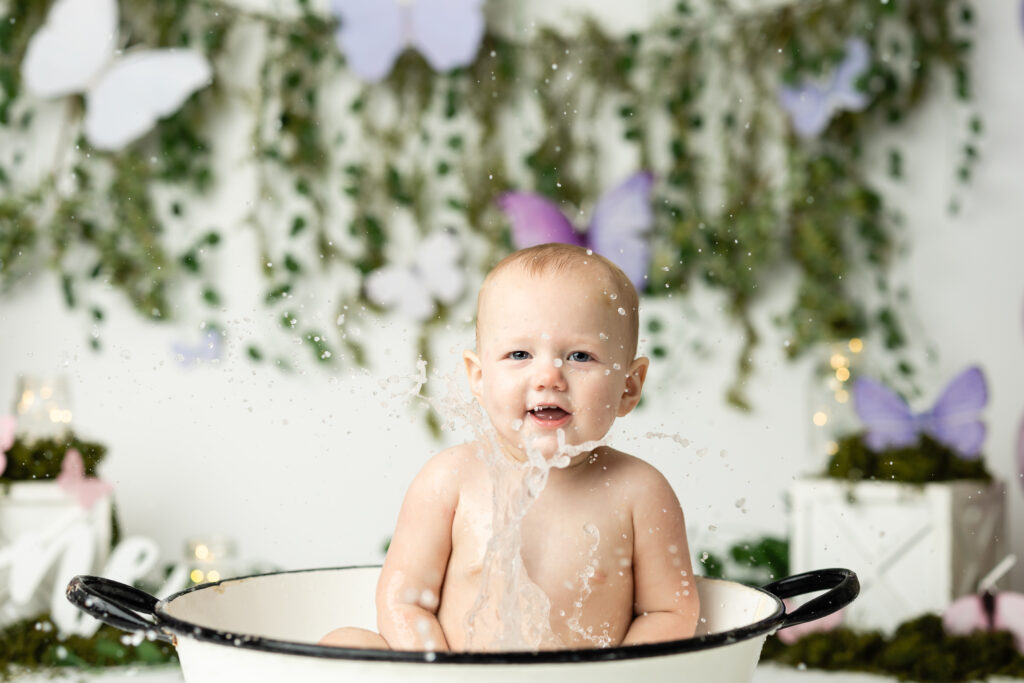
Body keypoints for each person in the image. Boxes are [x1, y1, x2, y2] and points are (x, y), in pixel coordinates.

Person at [321, 243, 700, 651]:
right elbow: (403, 600)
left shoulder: (639, 491)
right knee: (344, 642)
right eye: (519, 354)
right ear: (479, 377)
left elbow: (670, 612)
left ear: (629, 386)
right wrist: (438, 676)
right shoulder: (450, 480)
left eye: (580, 356)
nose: (548, 376)